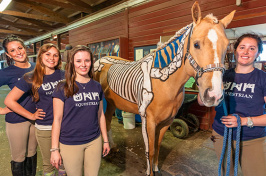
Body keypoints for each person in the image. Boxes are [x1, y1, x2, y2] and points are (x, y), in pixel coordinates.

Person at [198, 33, 266, 176]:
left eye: (252, 48)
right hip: (221, 135)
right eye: (242, 47)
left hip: (252, 139)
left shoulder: (262, 78)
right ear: (236, 51)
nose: (246, 52)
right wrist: (205, 81)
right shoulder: (222, 75)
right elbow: (201, 102)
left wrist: (244, 121)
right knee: (225, 173)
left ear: (258, 53)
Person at [5, 43, 67, 176]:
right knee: (48, 164)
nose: (52, 58)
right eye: (48, 54)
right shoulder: (31, 76)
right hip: (45, 127)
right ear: (40, 57)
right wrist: (31, 116)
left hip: (65, 126)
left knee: (63, 163)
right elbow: (9, 100)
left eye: (55, 55)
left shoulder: (64, 75)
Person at [50, 45, 110, 176]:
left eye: (87, 60)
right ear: (72, 63)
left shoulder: (97, 86)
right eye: (78, 61)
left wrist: (105, 140)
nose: (83, 64)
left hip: (94, 141)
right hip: (70, 143)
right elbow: (57, 119)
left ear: (91, 62)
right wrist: (54, 149)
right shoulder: (62, 87)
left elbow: (100, 116)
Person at [0, 35, 37, 176]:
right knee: (19, 157)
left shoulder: (36, 67)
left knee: (32, 154)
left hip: (35, 119)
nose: (18, 52)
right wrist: (2, 110)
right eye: (13, 50)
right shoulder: (6, 73)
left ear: (25, 48)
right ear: (9, 54)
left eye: (20, 48)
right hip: (16, 121)